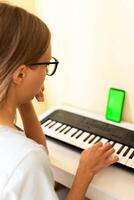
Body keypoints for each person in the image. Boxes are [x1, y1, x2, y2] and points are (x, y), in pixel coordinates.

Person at [0, 2, 119, 200]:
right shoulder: (26, 159)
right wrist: (84, 172)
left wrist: (23, 98)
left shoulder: (23, 153)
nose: (46, 72)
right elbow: (32, 159)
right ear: (20, 74)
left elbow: (40, 157)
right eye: (46, 65)